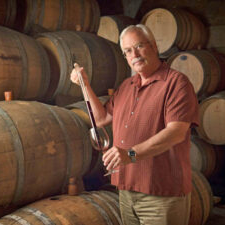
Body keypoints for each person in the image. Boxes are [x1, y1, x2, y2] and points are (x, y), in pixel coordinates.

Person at [70, 24, 199, 225]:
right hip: (126, 190)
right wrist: (85, 85)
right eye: (128, 51)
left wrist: (130, 154)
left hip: (161, 194)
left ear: (155, 46)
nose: (134, 54)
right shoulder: (127, 86)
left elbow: (176, 133)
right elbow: (102, 118)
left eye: (139, 46)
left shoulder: (177, 83)